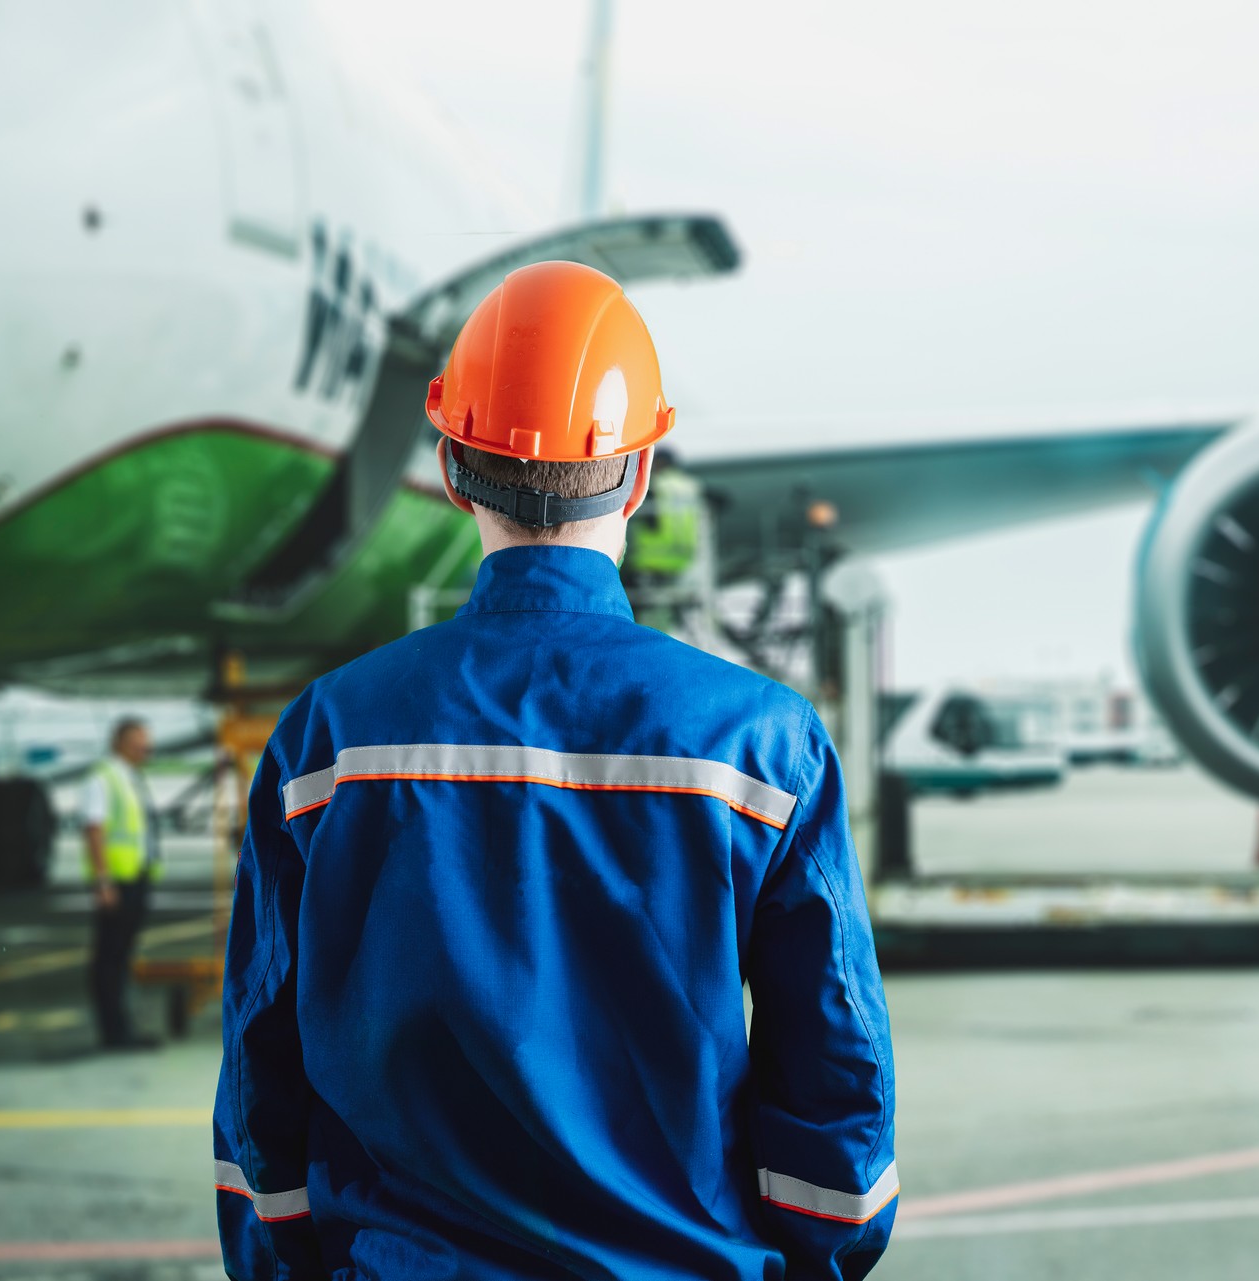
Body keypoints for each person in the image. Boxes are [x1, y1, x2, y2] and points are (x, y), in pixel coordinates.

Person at [213, 261, 896, 1281]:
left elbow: (263, 1063)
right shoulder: (762, 743)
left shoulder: (328, 741)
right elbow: (834, 1060)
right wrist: (819, 1254)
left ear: (452, 465)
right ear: (643, 469)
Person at [79, 715, 160, 1050]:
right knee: (110, 959)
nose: (145, 749)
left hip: (136, 878)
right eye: (138, 743)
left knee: (120, 957)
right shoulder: (103, 778)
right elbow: (93, 830)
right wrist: (103, 881)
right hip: (117, 882)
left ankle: (121, 1028)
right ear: (120, 743)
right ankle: (114, 1033)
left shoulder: (131, 776)